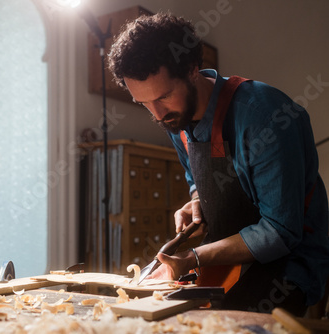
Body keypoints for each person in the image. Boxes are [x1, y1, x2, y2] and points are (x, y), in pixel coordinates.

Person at [108, 12, 329, 316]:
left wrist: (193, 257)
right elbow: (196, 179)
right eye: (144, 103)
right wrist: (197, 200)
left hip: (287, 267)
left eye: (164, 96)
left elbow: (281, 231)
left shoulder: (265, 117)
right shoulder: (176, 118)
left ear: (191, 70)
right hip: (225, 258)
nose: (157, 114)